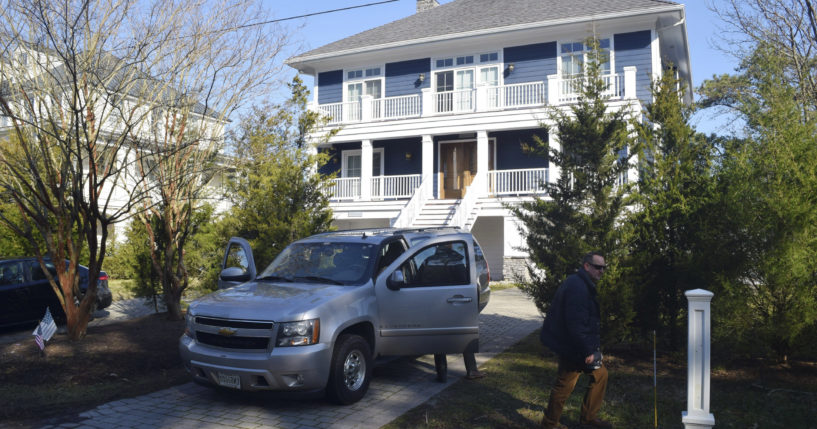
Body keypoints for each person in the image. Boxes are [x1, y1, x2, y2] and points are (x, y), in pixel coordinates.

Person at [539, 252, 612, 429]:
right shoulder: (578, 288)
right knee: (564, 386)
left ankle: (587, 418)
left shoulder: (580, 282)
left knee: (599, 375)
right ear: (587, 266)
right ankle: (549, 424)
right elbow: (575, 325)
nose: (601, 271)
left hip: (573, 344)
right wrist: (588, 351)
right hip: (572, 347)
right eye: (598, 267)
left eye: (604, 268)